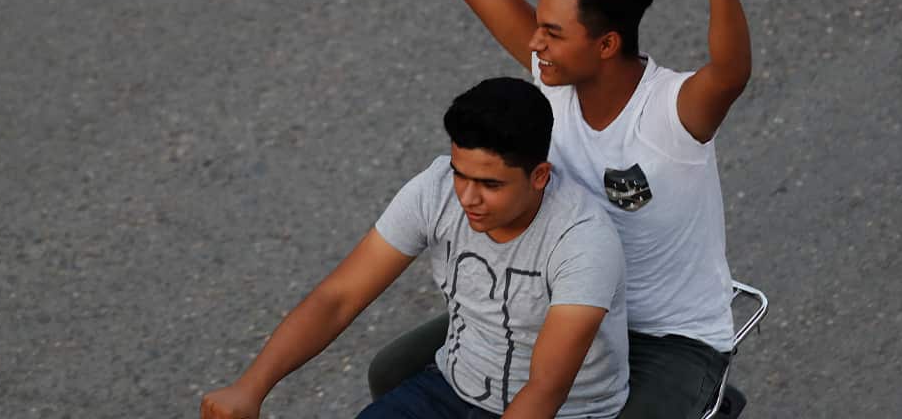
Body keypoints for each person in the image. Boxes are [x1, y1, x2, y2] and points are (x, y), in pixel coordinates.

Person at [372, 0, 753, 419]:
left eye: (553, 33)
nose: (534, 42)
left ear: (606, 44)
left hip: (666, 339)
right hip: (566, 303)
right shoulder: (552, 78)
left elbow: (731, 72)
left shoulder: (671, 113)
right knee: (392, 373)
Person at [201, 78, 629, 419]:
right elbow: (339, 298)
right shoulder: (436, 189)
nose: (467, 197)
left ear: (539, 176)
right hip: (454, 386)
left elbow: (545, 389)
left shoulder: (583, 241)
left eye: (490, 184)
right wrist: (250, 387)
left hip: (568, 412)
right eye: (461, 173)